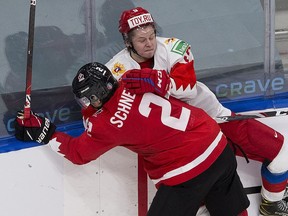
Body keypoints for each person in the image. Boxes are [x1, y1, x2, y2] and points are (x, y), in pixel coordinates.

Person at [104, 7, 288, 215]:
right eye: (141, 40)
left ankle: (271, 204)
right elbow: (105, 113)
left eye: (152, 36)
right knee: (204, 207)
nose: (149, 44)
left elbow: (189, 89)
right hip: (179, 146)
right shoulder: (114, 71)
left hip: (213, 119)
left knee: (281, 153)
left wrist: (160, 82)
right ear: (128, 41)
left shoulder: (174, 48)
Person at [14, 62, 249, 216]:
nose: (86, 105)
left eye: (87, 100)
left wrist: (47, 132)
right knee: (232, 210)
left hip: (186, 171)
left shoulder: (106, 124)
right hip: (217, 146)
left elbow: (78, 153)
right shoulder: (132, 78)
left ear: (96, 96)